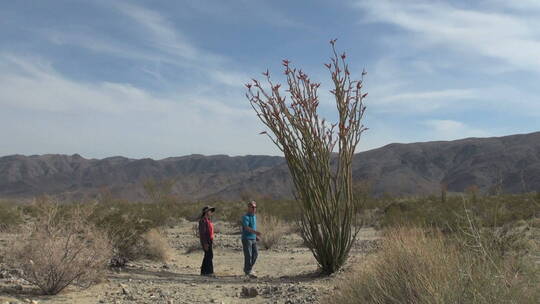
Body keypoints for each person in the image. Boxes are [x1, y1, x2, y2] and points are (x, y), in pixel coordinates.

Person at [241, 200, 262, 278]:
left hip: (253, 238)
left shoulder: (254, 217)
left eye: (255, 207)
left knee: (255, 254)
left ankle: (248, 268)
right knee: (248, 255)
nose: (254, 208)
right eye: (252, 207)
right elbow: (246, 227)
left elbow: (253, 226)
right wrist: (256, 232)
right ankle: (248, 271)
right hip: (246, 238)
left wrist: (256, 236)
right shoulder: (245, 217)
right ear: (249, 207)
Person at [199, 206, 216, 277]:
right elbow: (202, 233)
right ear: (206, 212)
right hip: (206, 241)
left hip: (209, 240)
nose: (211, 212)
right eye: (210, 211)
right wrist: (205, 243)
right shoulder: (203, 221)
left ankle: (204, 272)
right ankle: (209, 272)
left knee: (207, 255)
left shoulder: (207, 220)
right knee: (209, 255)